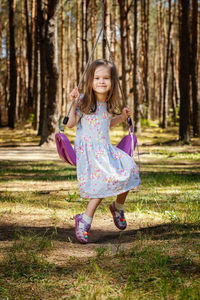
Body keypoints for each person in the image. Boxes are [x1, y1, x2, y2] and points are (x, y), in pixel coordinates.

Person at [67, 59, 140, 244]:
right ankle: (85, 219)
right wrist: (72, 104)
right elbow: (70, 124)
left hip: (105, 151)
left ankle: (118, 206)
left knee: (129, 169)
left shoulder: (108, 102)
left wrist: (122, 117)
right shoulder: (84, 101)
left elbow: (107, 122)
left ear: (112, 82)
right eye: (97, 77)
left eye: (106, 78)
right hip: (89, 153)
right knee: (101, 183)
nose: (101, 81)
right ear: (90, 80)